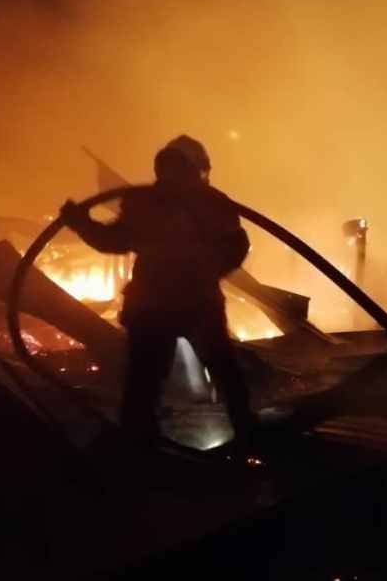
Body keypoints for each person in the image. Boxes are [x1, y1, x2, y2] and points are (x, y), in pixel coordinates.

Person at [60, 135, 255, 451]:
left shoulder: (204, 203)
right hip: (169, 306)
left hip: (178, 305)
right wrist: (81, 223)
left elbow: (235, 245)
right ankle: (143, 447)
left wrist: (207, 269)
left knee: (204, 377)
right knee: (152, 384)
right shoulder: (162, 202)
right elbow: (115, 240)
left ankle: (244, 438)